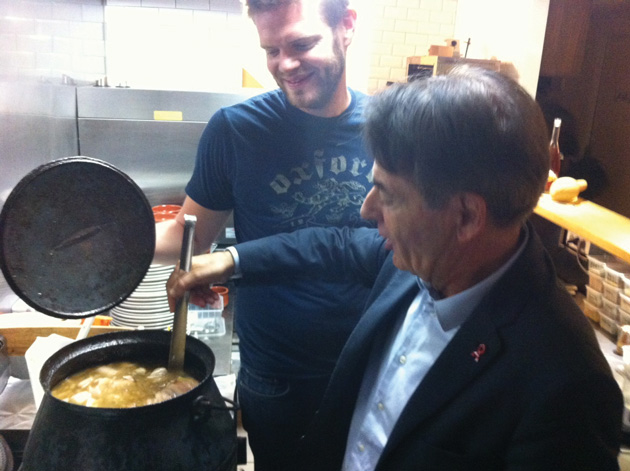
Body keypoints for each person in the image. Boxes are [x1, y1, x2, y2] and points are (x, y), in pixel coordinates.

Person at [167, 66, 623, 470]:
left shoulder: (566, 386)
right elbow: (333, 244)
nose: (367, 211)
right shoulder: (420, 257)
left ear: (465, 217)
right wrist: (228, 260)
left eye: (389, 194)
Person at [153, 0, 374, 469]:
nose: (285, 65)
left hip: (375, 365)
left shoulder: (389, 128)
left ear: (347, 26)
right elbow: (188, 236)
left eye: (301, 44)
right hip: (279, 378)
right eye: (271, 50)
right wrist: (103, 242)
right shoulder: (236, 131)